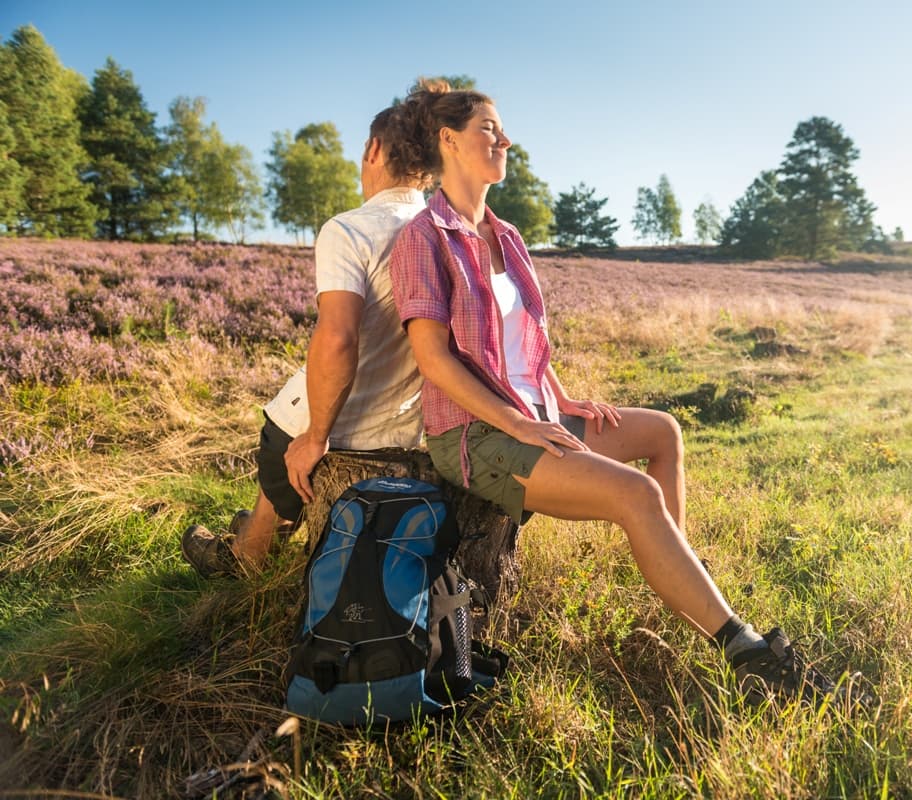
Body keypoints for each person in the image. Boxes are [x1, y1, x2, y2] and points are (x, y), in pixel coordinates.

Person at [390, 79, 873, 708]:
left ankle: (683, 574)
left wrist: (560, 399)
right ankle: (746, 653)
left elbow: (522, 340)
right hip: (476, 435)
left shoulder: (505, 236)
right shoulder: (423, 237)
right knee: (638, 494)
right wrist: (520, 424)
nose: (505, 140)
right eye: (489, 129)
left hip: (535, 414)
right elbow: (434, 360)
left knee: (663, 433)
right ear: (448, 139)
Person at [181, 99, 431, 578]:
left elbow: (337, 339)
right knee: (293, 417)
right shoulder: (444, 232)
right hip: (401, 429)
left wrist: (317, 436)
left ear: (375, 150)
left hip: (345, 428)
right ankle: (255, 533)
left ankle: (247, 557)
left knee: (286, 424)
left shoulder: (352, 229)